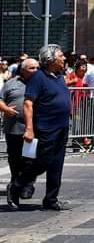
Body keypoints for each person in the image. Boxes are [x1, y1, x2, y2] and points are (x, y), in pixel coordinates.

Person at [9, 45, 71, 211]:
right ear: (50, 60)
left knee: (57, 164)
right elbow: (28, 103)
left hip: (62, 127)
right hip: (46, 128)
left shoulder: (59, 76)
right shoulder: (38, 77)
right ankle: (17, 185)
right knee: (43, 162)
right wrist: (29, 128)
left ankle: (51, 199)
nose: (64, 58)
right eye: (61, 56)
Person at [1, 58, 39, 208]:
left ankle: (27, 184)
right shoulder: (11, 84)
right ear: (23, 70)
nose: (35, 71)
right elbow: (0, 100)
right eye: (32, 68)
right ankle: (16, 182)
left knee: (31, 159)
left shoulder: (39, 83)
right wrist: (6, 109)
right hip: (14, 128)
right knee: (15, 158)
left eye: (37, 68)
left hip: (34, 129)